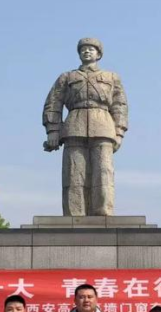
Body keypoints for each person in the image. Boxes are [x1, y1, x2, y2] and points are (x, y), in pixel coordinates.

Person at [42, 37, 129, 216]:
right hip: (74, 125)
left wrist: (119, 132)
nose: (87, 51)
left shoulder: (112, 77)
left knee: (103, 172)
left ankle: (103, 212)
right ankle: (75, 214)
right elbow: (53, 103)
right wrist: (53, 130)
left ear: (99, 54)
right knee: (74, 173)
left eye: (91, 49)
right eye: (83, 49)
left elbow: (120, 106)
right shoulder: (67, 77)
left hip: (104, 126)